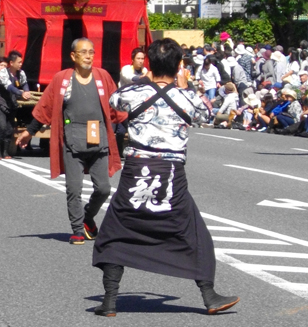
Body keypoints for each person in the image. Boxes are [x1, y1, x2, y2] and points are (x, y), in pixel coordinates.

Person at [91, 38, 238, 317]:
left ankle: (110, 300)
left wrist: (142, 81)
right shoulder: (189, 98)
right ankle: (209, 295)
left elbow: (113, 101)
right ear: (179, 65)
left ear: (149, 64)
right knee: (193, 232)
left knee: (116, 228)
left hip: (136, 169)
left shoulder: (132, 93)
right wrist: (185, 85)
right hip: (171, 172)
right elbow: (206, 112)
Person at [16, 38, 125, 244]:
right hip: (72, 141)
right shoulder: (62, 79)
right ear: (73, 56)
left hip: (98, 140)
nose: (88, 56)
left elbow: (117, 106)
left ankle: (88, 216)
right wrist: (30, 131)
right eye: (83, 52)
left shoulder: (102, 77)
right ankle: (77, 229)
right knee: (73, 189)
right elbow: (45, 107)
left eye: (91, 52)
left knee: (103, 189)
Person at [0, 51, 32, 159]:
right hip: (1, 103)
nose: (21, 64)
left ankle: (6, 151)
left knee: (10, 129)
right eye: (19, 62)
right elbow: (9, 87)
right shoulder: (3, 73)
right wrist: (21, 93)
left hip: (12, 104)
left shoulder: (21, 73)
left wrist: (27, 91)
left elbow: (24, 83)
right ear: (11, 63)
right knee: (1, 127)